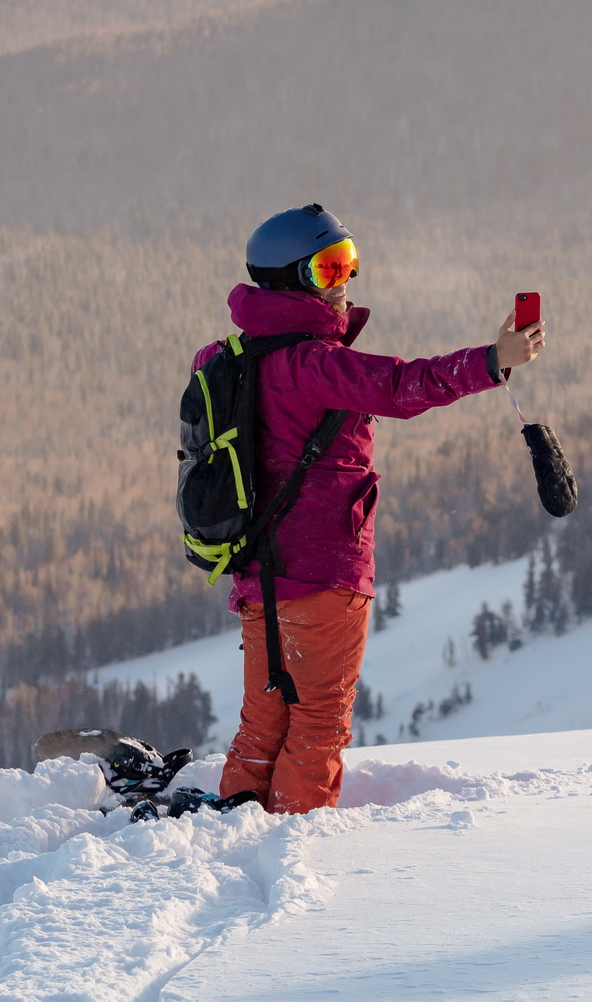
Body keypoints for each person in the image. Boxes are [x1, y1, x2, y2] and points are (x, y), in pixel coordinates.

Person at [202, 202, 541, 814]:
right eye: (329, 269)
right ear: (290, 280)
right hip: (323, 572)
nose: (346, 282)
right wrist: (493, 363)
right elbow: (404, 385)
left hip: (259, 572)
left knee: (265, 721)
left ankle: (236, 825)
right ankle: (290, 844)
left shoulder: (238, 357)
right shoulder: (312, 364)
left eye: (349, 263)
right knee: (319, 725)